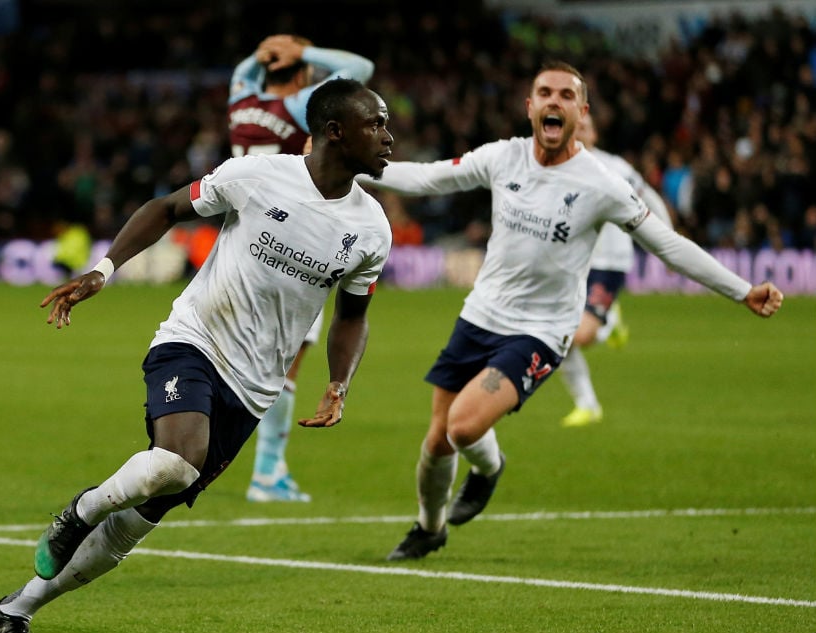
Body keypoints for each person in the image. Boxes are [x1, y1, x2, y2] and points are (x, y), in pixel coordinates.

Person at [0, 78, 394, 633]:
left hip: (253, 390)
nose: (388, 137)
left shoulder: (372, 228)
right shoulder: (257, 176)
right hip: (195, 340)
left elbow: (352, 316)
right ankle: (79, 512)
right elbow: (168, 207)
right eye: (376, 124)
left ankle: (18, 608)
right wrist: (104, 271)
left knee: (144, 514)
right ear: (334, 131)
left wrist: (338, 383)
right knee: (176, 461)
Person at [357, 60, 783, 561]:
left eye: (566, 95)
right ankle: (430, 528)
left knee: (464, 427)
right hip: (479, 316)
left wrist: (741, 290)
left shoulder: (600, 184)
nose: (554, 101)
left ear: (581, 113)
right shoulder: (503, 157)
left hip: (540, 332)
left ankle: (490, 469)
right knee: (435, 443)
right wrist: (353, 164)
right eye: (545, 93)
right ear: (530, 106)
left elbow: (667, 245)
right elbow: (426, 177)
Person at [228, 34, 375, 502]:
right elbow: (361, 66)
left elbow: (244, 70)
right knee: (284, 368)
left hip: (243, 237)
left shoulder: (239, 101)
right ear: (302, 77)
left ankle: (268, 469)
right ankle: (267, 473)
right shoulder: (298, 109)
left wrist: (262, 52)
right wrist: (306, 51)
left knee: (255, 360)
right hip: (294, 242)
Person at [559, 112, 674, 427]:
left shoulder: (615, 167)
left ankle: (609, 323)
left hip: (608, 264)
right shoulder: (558, 168)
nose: (580, 131)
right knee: (555, 335)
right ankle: (587, 405)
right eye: (576, 127)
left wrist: (668, 239)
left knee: (576, 336)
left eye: (586, 127)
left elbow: (649, 197)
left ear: (595, 135)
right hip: (572, 265)